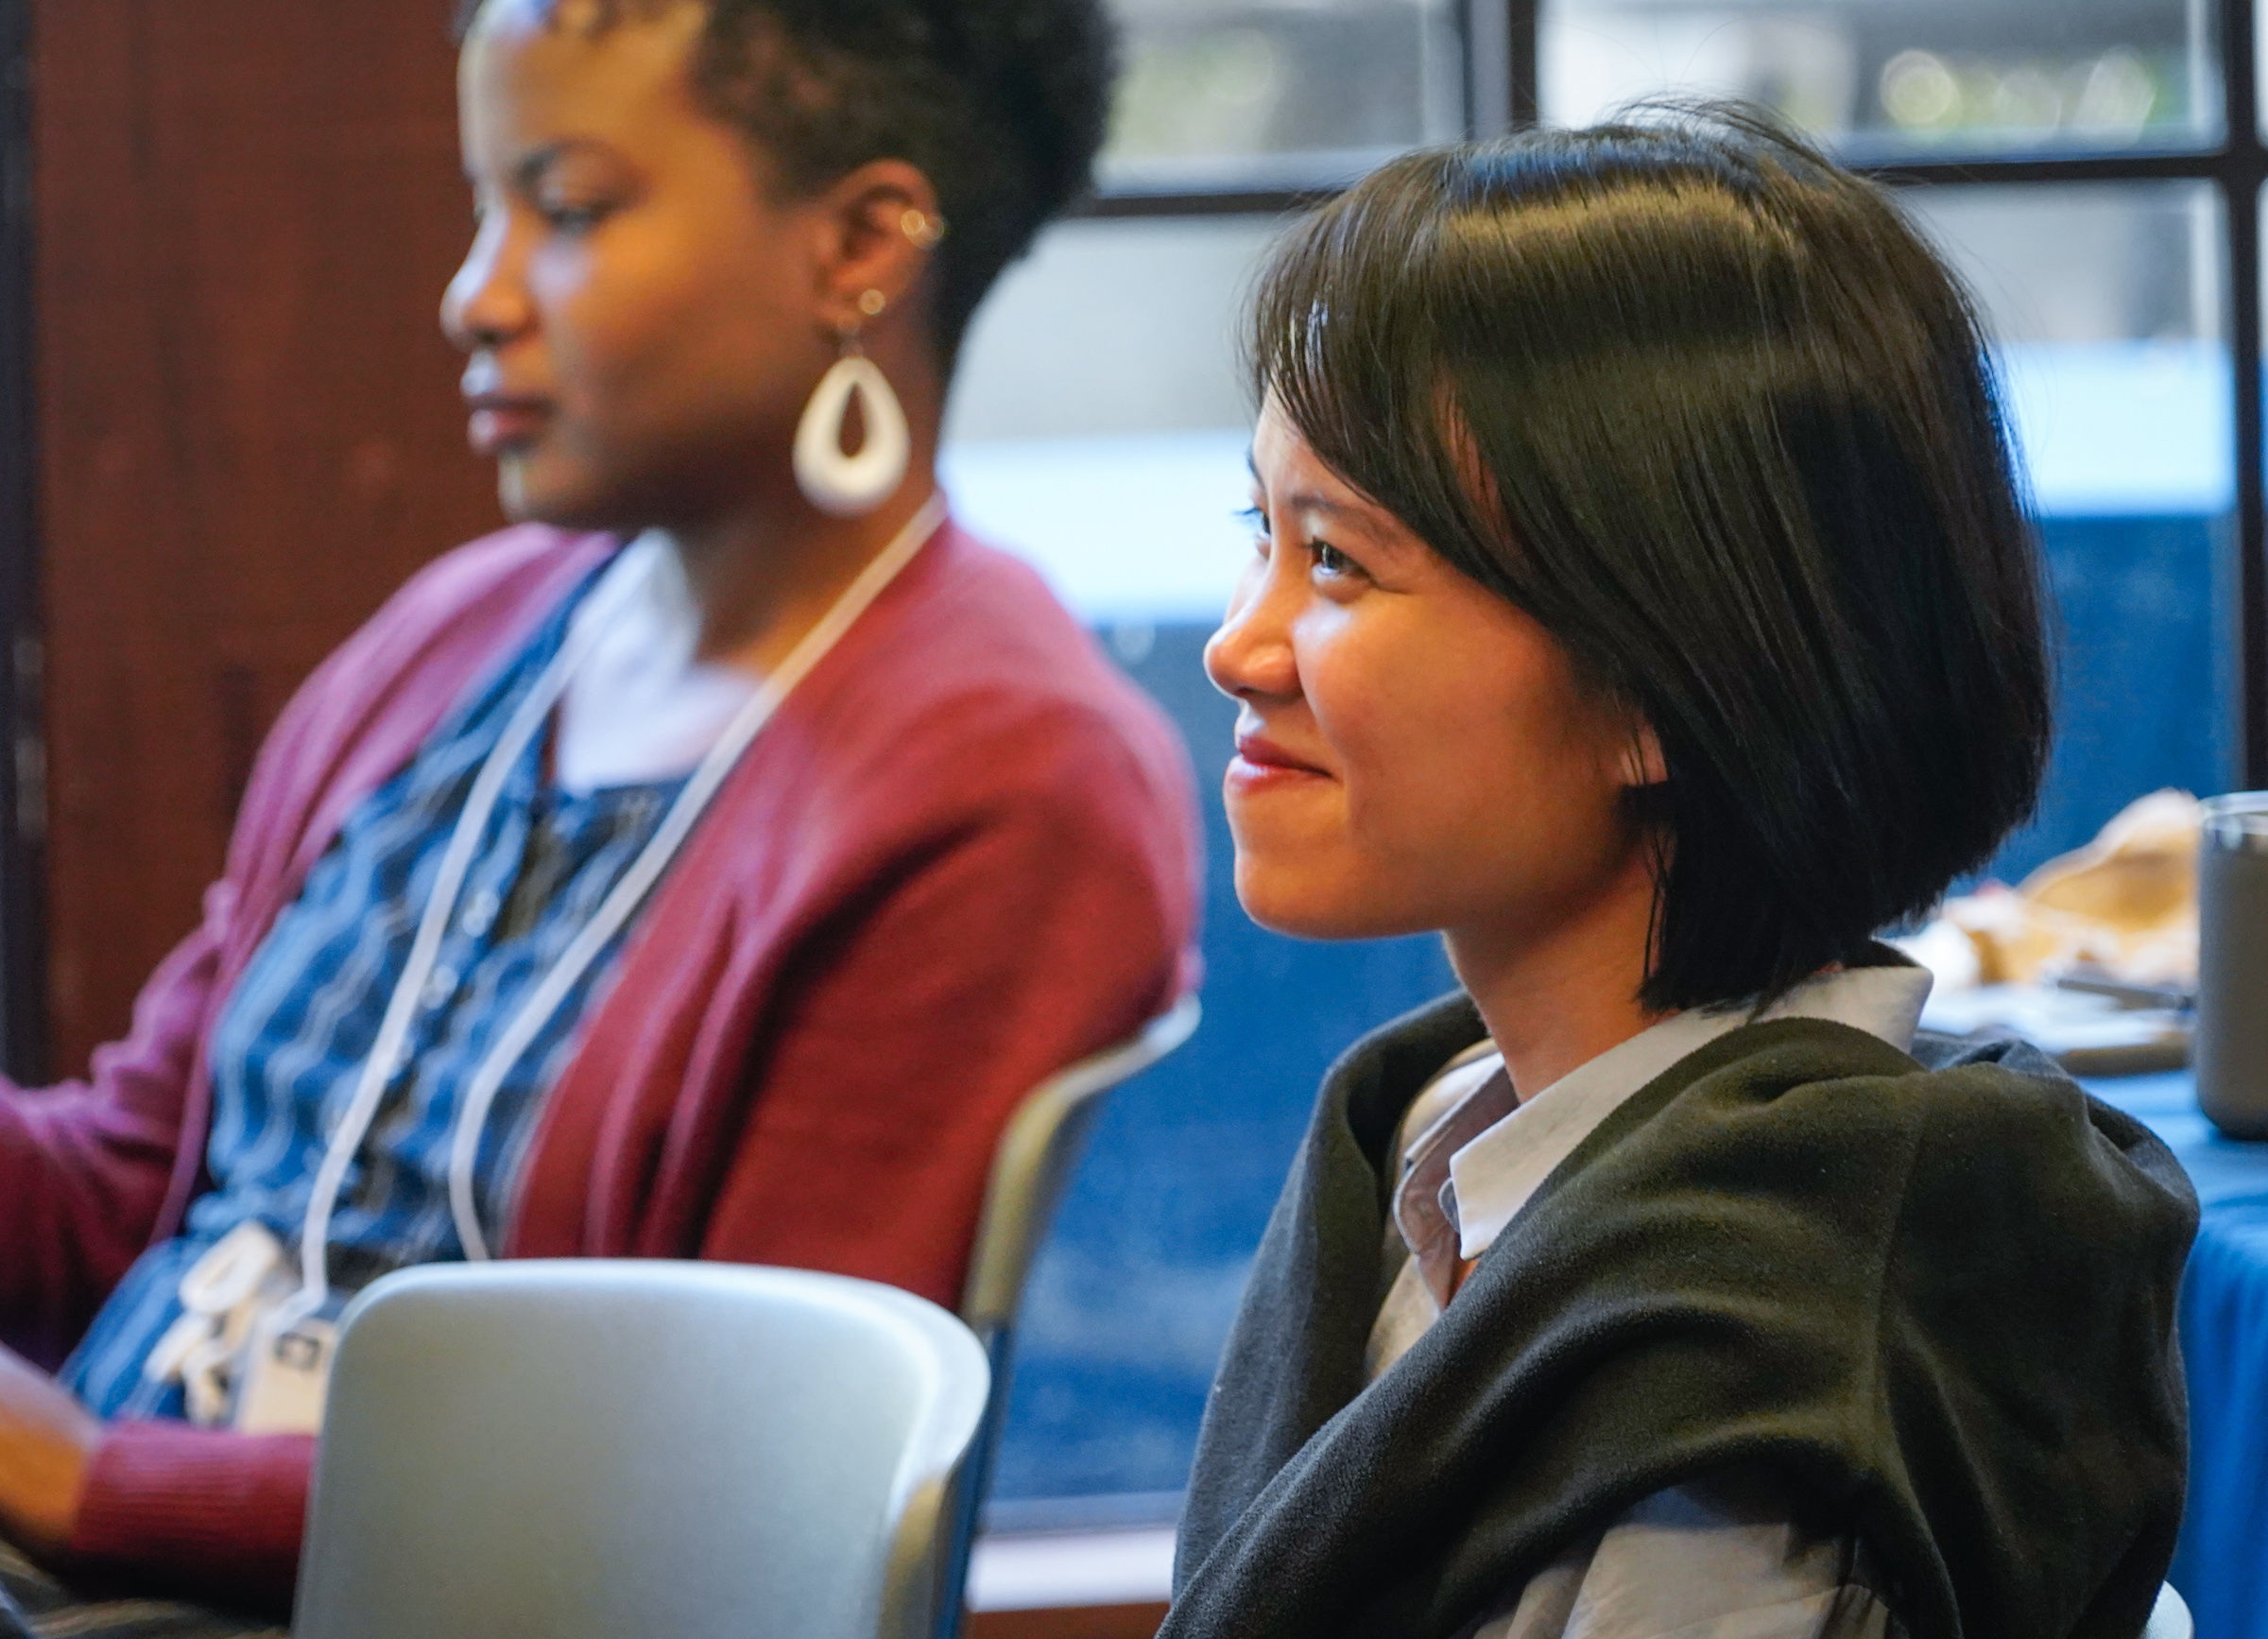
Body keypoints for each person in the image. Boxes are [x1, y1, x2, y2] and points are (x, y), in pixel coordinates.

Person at [0, 0, 1197, 1628]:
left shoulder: (1007, 783)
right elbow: (134, 1179)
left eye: (563, 211)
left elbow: (709, 1481)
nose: (473, 296)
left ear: (860, 244)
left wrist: (80, 1482)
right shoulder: (462, 634)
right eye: (484, 208)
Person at [1165, 107, 2193, 1639]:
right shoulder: (1437, 1133)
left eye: (1340, 561)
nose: (1237, 646)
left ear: (1660, 679)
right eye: (1265, 528)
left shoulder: (1748, 1384)